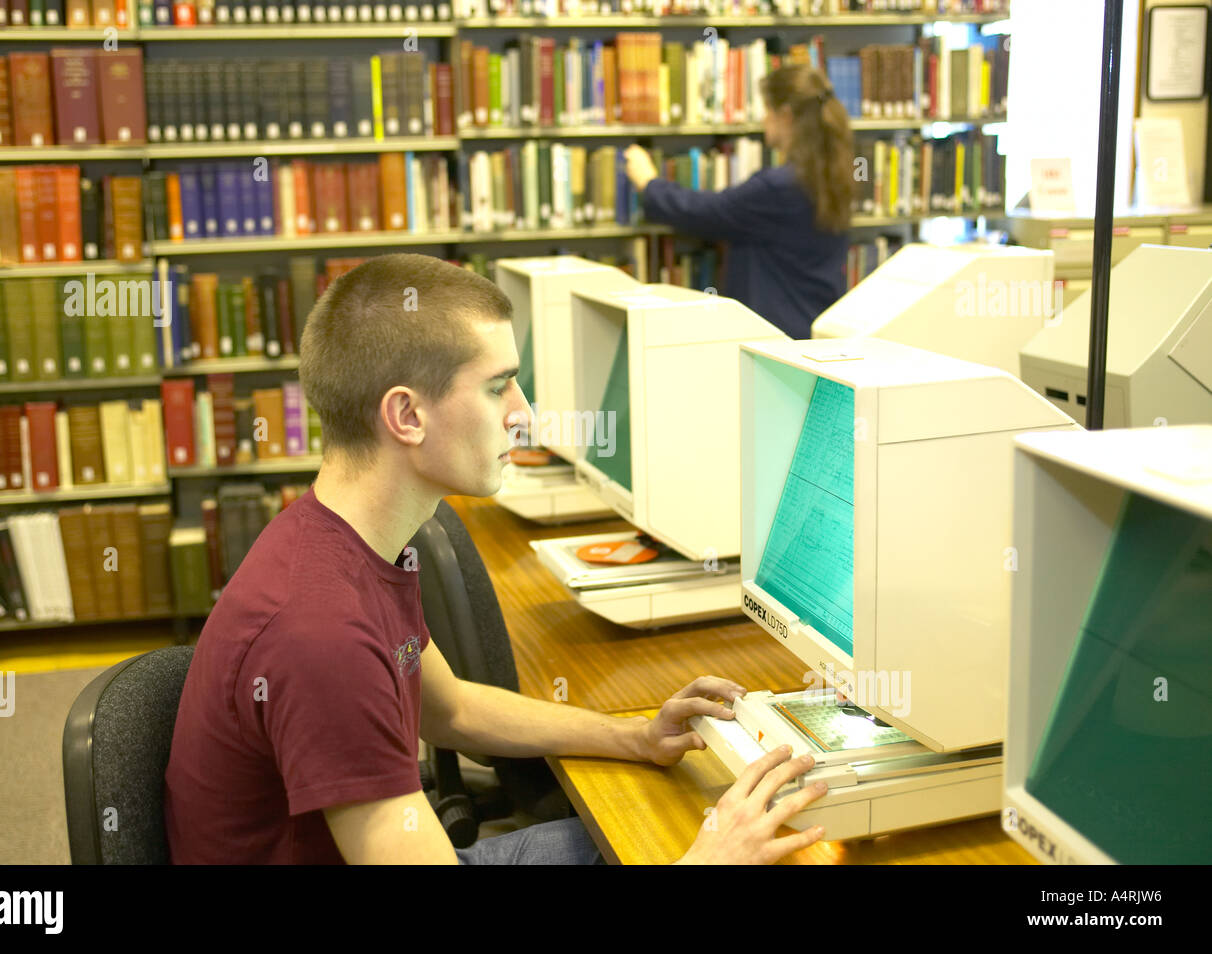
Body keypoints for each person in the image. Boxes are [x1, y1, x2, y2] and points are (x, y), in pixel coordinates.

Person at [163, 253, 828, 864]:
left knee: (651, 834)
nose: (525, 413)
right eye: (499, 387)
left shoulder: (343, 541)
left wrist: (634, 736)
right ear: (406, 416)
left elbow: (450, 711)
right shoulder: (320, 632)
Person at [624, 64, 854, 339]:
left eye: (767, 111)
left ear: (785, 116)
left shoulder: (779, 188)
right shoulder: (835, 175)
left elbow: (707, 212)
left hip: (775, 339)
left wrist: (649, 183)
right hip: (812, 329)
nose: (762, 119)